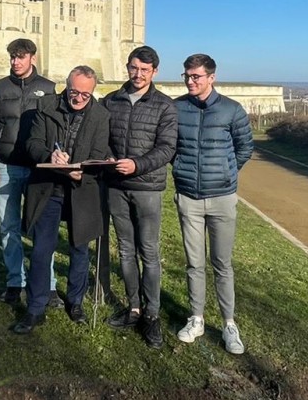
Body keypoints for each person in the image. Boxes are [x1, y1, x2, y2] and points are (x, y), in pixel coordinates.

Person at [13, 66, 110, 334]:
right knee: (42, 250)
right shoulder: (45, 106)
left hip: (82, 188)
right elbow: (32, 144)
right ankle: (35, 308)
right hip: (48, 187)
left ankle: (76, 303)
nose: (78, 98)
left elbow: (100, 152)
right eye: (73, 92)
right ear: (65, 86)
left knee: (80, 248)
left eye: (85, 95)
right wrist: (48, 156)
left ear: (93, 93)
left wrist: (84, 170)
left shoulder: (101, 116)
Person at [172, 53, 253, 354]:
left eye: (196, 76)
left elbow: (245, 147)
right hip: (188, 196)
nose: (191, 81)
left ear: (211, 77)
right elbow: (170, 145)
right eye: (187, 76)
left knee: (222, 264)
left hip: (222, 197)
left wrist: (227, 174)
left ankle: (229, 323)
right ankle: (196, 318)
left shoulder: (232, 110)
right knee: (194, 263)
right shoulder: (177, 108)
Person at [102, 46, 178, 349]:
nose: (138, 74)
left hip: (147, 187)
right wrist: (108, 159)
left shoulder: (164, 106)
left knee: (149, 252)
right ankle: (133, 308)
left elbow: (166, 148)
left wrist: (137, 165)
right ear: (127, 67)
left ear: (155, 72)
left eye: (145, 70)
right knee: (124, 250)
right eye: (134, 68)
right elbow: (101, 139)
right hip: (116, 186)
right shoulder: (111, 102)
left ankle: (152, 314)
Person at [0, 38, 63, 307]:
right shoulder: (0, 87)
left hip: (38, 168)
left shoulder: (48, 89)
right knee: (8, 227)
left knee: (43, 227)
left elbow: (55, 128)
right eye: (13, 57)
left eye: (21, 56)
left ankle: (47, 285)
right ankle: (15, 281)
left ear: (33, 58)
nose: (16, 62)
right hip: (6, 165)